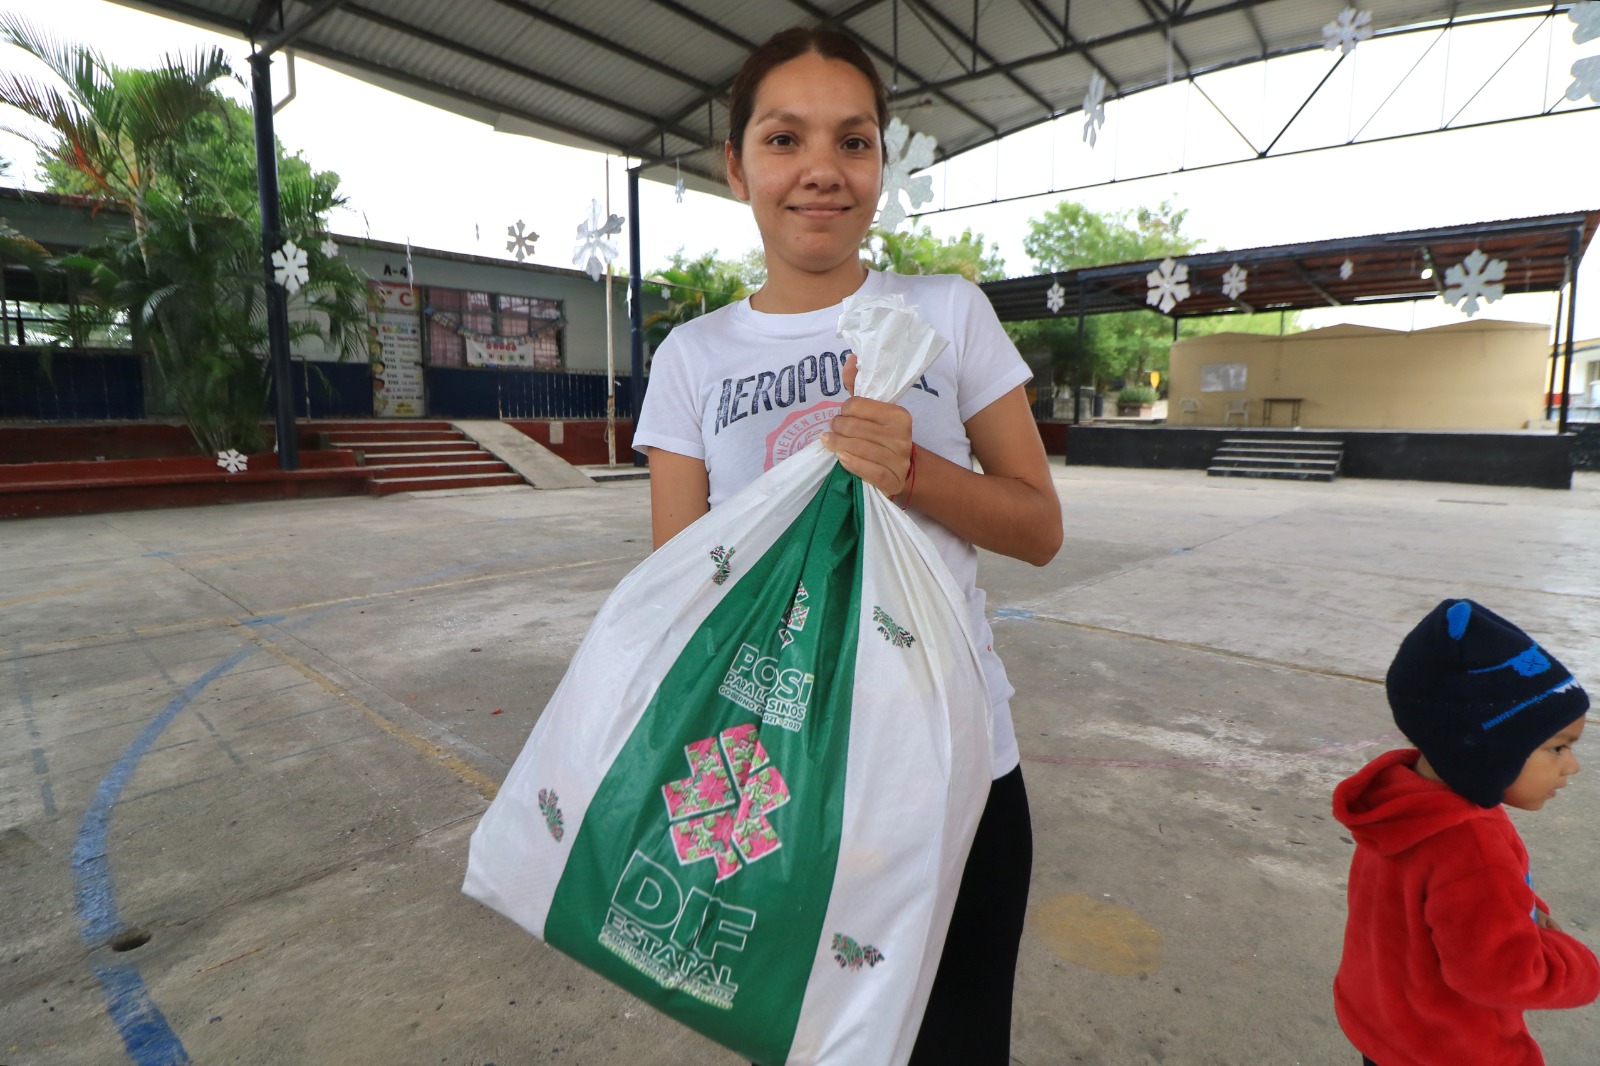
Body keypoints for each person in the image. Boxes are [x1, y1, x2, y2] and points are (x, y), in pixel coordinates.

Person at [631, 25, 1063, 1063]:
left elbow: (1038, 527)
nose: (822, 170)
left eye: (853, 141)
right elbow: (679, 587)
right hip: (781, 775)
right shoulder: (692, 358)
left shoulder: (946, 315)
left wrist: (916, 473)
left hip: (955, 771)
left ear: (882, 163)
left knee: (958, 1046)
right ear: (735, 167)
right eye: (784, 140)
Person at [1333, 598, 1599, 1066]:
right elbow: (1501, 976)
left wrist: (1524, 908)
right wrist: (1579, 966)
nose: (1572, 767)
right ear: (1483, 751)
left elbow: (1425, 907)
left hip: (1383, 1027)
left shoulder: (1399, 803)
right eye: (1557, 748)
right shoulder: (1472, 847)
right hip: (1456, 1048)